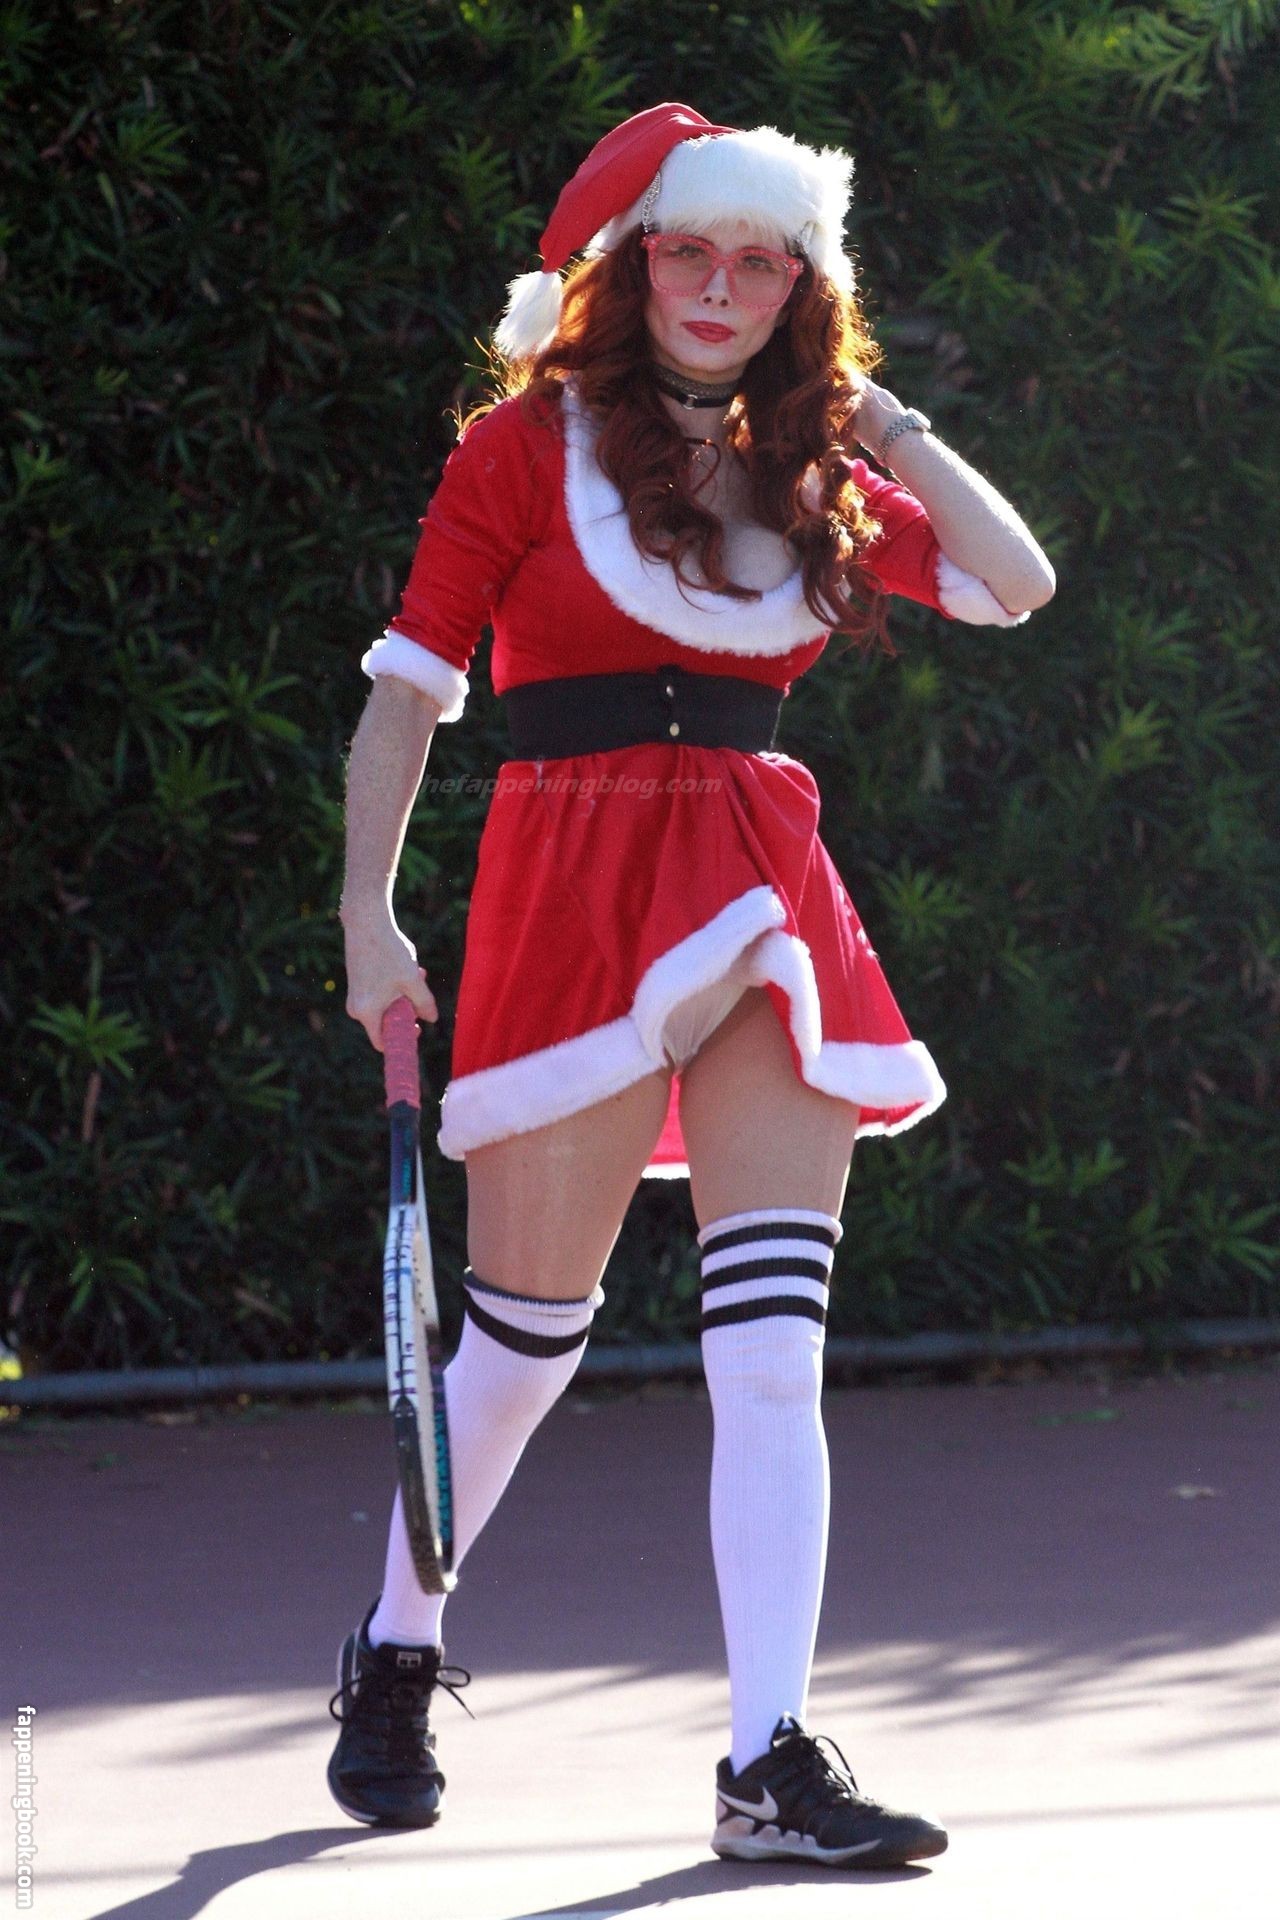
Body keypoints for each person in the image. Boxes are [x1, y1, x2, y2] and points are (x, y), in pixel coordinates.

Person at [327, 102, 1055, 1866]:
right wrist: (368, 917)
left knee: (773, 1352)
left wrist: (877, 416)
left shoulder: (818, 468)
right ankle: (397, 1644)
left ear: (801, 285)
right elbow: (410, 689)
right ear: (633, 264)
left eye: (760, 260)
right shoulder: (524, 448)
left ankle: (765, 1760)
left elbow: (1017, 580)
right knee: (523, 1348)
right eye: (687, 251)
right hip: (571, 887)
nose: (719, 287)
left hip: (764, 896)